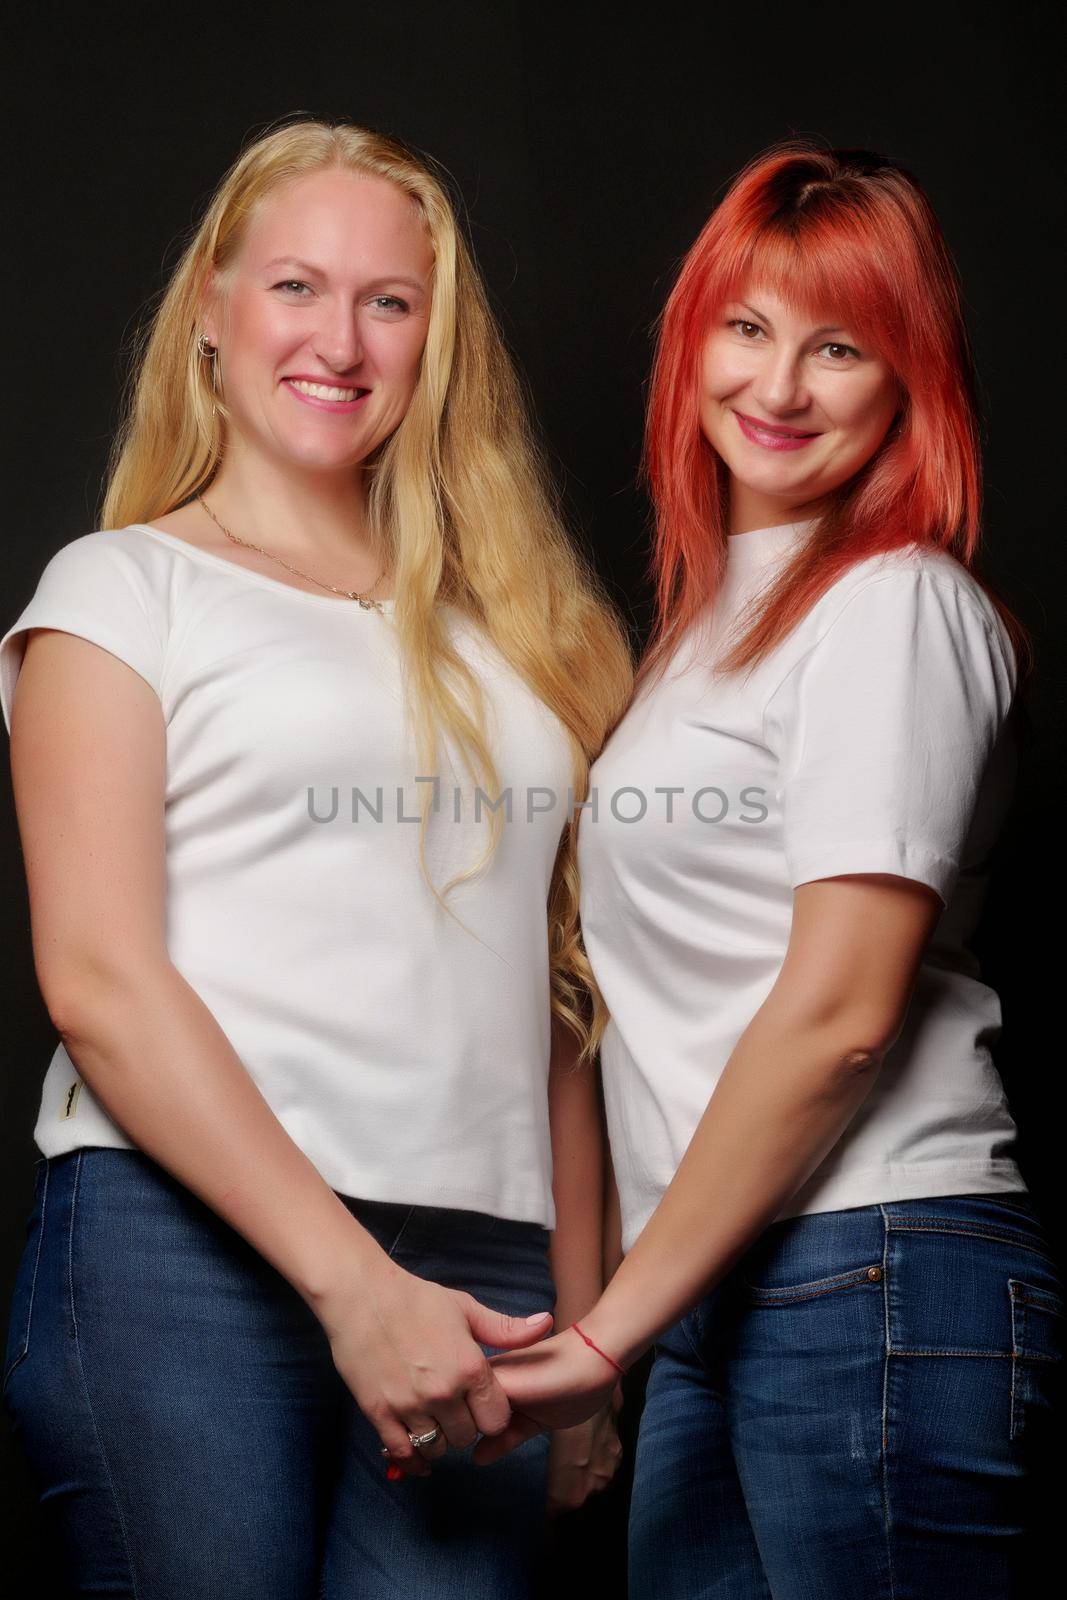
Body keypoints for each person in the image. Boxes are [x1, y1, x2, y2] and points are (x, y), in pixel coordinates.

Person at [0, 116, 632, 1598]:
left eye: (388, 301)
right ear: (212, 313)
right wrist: (352, 1286)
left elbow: (552, 1005)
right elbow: (97, 976)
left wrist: (591, 1338)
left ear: (431, 342)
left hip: (489, 1276)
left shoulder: (523, 640)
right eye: (295, 286)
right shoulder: (121, 589)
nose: (339, 338)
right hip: (186, 1249)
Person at [475, 141, 1064, 1597]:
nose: (780, 387)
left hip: (871, 1255)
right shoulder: (696, 642)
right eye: (748, 329)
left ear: (909, 379)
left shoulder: (895, 606)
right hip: (724, 1296)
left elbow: (843, 1012)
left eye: (841, 346)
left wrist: (603, 1332)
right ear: (694, 344)